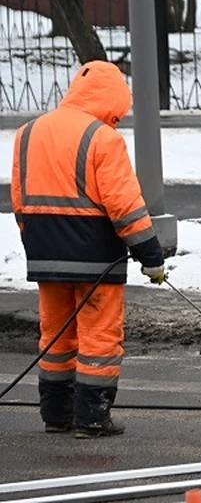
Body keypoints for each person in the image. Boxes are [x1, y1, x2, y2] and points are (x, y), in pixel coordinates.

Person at [10, 60, 167, 439]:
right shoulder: (102, 138)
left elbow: (19, 196)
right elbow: (125, 204)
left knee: (55, 333)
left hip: (45, 251)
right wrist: (151, 257)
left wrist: (34, 238)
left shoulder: (27, 133)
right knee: (99, 336)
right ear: (113, 99)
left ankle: (56, 415)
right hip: (95, 255)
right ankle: (92, 417)